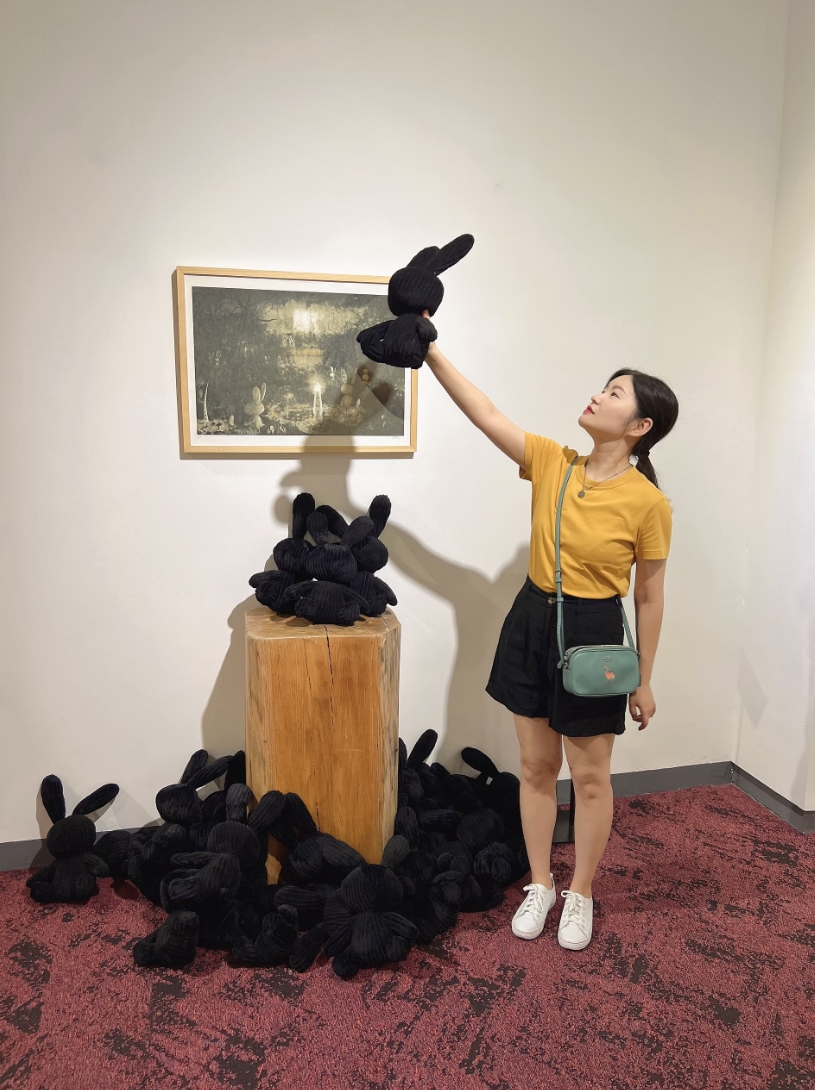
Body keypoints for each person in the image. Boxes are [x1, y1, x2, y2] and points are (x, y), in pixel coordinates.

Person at [424, 325, 678, 952]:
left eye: (614, 393)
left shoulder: (648, 503)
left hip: (595, 634)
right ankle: (540, 881)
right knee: (536, 766)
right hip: (533, 619)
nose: (598, 396)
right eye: (603, 387)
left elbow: (648, 596)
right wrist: (428, 347)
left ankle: (581, 891)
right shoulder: (552, 462)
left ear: (640, 425)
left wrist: (645, 679)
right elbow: (485, 412)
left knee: (590, 777)